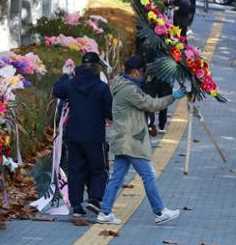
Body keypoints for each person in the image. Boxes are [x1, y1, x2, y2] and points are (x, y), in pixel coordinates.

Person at [97, 56, 185, 225]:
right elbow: (151, 104)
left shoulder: (120, 83)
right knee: (148, 175)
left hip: (122, 138)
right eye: (143, 71)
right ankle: (160, 212)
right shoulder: (130, 90)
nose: (144, 75)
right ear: (136, 72)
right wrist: (173, 97)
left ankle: (105, 213)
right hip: (131, 141)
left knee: (117, 178)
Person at [53, 52, 113, 217]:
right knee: (98, 168)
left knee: (75, 169)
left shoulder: (71, 84)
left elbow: (57, 91)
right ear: (96, 68)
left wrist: (65, 75)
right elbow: (109, 110)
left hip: (74, 135)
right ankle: (94, 199)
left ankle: (77, 205)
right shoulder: (102, 87)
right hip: (95, 136)